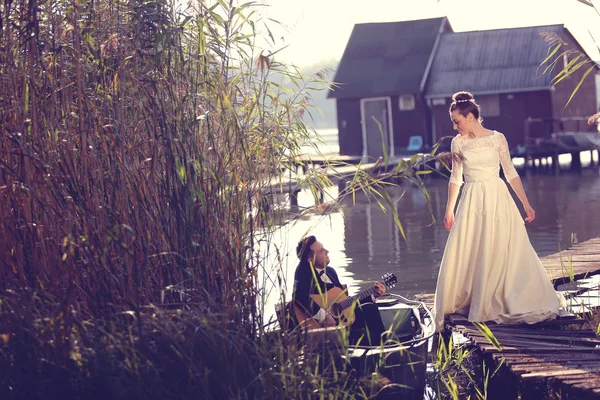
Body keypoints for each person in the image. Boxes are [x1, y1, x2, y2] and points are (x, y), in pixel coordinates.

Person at [433, 91, 565, 331]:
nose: (455, 126)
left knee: (504, 247)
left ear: (471, 116)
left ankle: (508, 295)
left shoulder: (497, 139)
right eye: (453, 121)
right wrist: (449, 210)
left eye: (457, 121)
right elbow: (455, 178)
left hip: (497, 197)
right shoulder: (458, 143)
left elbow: (511, 172)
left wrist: (525, 203)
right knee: (474, 248)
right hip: (472, 199)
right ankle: (478, 297)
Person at [293, 235, 387, 345]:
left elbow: (345, 303)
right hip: (324, 330)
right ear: (310, 260)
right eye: (321, 251)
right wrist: (324, 316)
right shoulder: (302, 272)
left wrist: (373, 295)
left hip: (342, 322)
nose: (327, 251)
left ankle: (386, 348)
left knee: (371, 309)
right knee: (363, 336)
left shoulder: (330, 272)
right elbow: (298, 296)